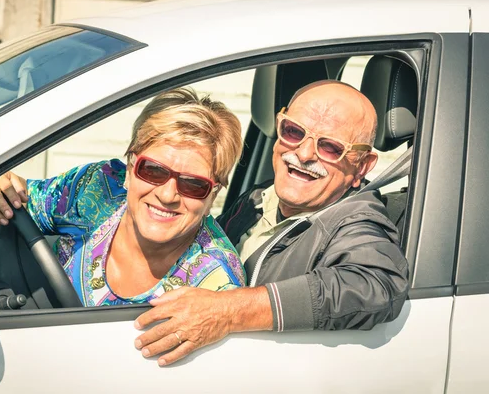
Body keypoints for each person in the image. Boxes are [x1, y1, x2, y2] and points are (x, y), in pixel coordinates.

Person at [133, 80, 409, 366]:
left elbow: (375, 285)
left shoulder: (357, 221)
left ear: (362, 166)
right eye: (294, 132)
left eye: (330, 147)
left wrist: (227, 311)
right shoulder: (256, 199)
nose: (303, 154)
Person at [0, 88, 246, 306]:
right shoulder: (98, 187)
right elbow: (20, 196)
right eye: (152, 170)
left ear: (213, 195)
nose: (167, 194)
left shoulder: (216, 286)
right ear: (129, 169)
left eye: (193, 185)